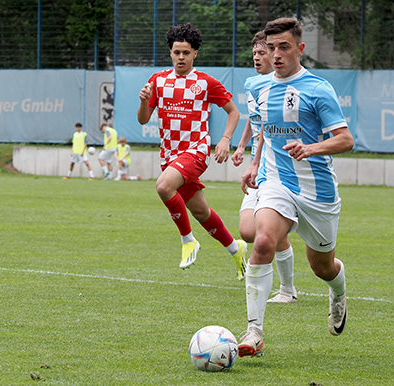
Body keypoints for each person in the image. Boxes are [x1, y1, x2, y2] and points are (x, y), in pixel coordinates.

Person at [238, 18, 354, 357]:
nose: (276, 54)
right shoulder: (259, 89)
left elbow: (346, 140)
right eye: (271, 47)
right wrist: (255, 164)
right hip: (277, 183)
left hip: (318, 194)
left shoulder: (318, 89)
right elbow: (264, 132)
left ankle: (339, 290)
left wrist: (311, 148)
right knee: (261, 241)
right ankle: (253, 332)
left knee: (323, 267)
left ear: (299, 49)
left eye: (283, 47)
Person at [137, 23, 247, 279]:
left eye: (186, 52)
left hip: (196, 152)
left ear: (195, 53)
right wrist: (143, 101)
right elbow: (143, 120)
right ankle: (236, 248)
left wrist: (224, 139)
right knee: (200, 212)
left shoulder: (205, 82)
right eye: (176, 52)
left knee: (164, 187)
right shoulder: (158, 81)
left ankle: (188, 240)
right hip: (169, 156)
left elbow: (234, 112)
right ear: (170, 53)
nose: (181, 57)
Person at [231, 31, 297, 304]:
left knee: (268, 230)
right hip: (259, 163)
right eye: (255, 53)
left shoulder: (290, 87)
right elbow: (254, 119)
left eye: (262, 53)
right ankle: (271, 260)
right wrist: (240, 146)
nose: (258, 58)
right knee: (247, 230)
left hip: (280, 168)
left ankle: (287, 289)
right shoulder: (253, 85)